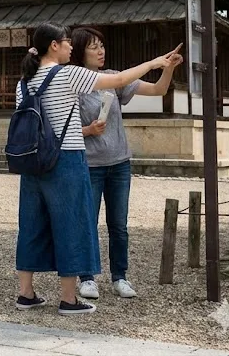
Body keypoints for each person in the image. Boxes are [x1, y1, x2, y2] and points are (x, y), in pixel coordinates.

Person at [14, 22, 179, 315]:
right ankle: (68, 299)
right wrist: (155, 62)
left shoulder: (24, 81)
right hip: (66, 159)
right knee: (72, 224)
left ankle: (25, 293)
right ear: (54, 45)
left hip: (33, 161)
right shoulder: (67, 74)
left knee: (31, 225)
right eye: (67, 42)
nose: (70, 47)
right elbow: (118, 81)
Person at [69, 27, 182, 300]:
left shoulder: (112, 79)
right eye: (94, 47)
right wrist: (88, 131)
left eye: (102, 46)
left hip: (120, 162)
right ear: (80, 51)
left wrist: (168, 68)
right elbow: (62, 126)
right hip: (91, 164)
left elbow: (158, 89)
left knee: (118, 225)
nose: (101, 51)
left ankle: (120, 277)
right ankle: (87, 277)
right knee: (88, 222)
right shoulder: (74, 83)